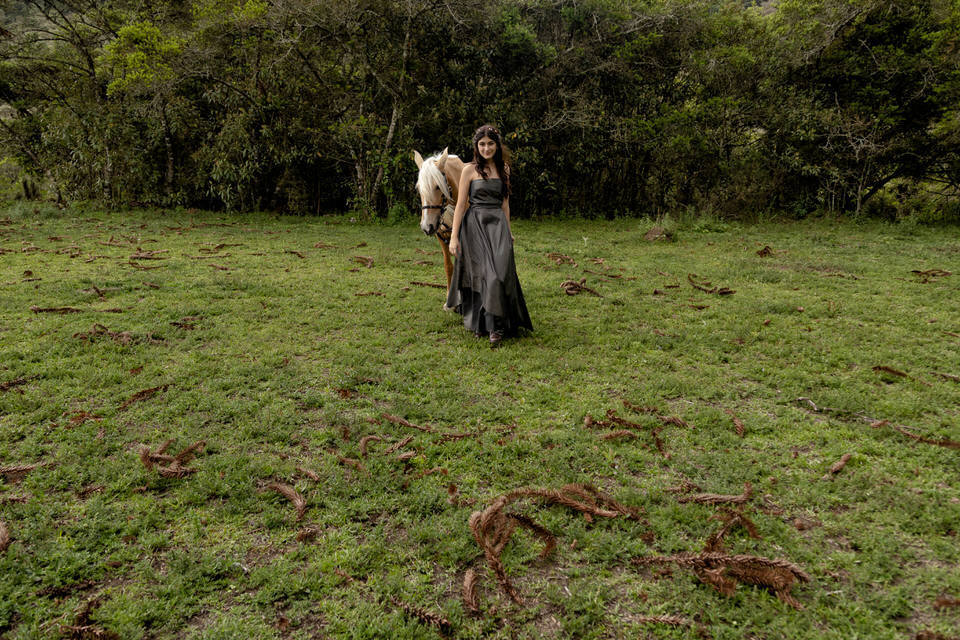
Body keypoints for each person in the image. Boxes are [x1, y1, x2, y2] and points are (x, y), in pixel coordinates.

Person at [446, 124, 533, 347]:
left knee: (502, 273)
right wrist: (454, 237)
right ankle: (494, 327)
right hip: (475, 225)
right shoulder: (469, 170)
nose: (486, 148)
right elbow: (461, 205)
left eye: (490, 144)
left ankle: (491, 320)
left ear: (497, 145)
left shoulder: (504, 168)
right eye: (482, 144)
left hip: (498, 225)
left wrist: (509, 232)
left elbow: (505, 205)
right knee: (488, 275)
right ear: (477, 146)